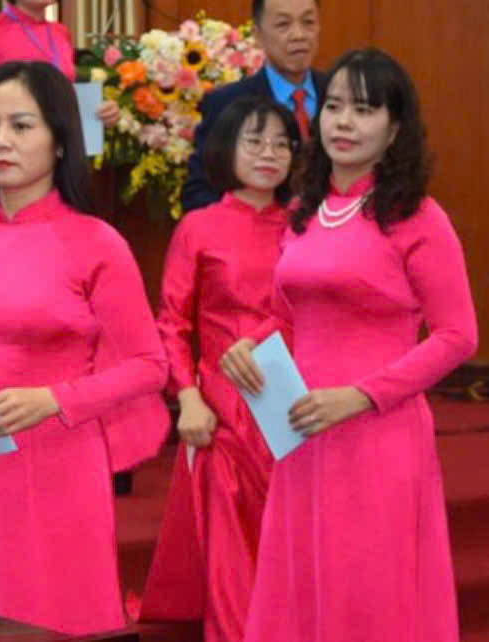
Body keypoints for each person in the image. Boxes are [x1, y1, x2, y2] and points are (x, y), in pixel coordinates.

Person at [220, 48, 477, 642]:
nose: (343, 121)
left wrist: (360, 396)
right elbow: (288, 318)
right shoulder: (305, 211)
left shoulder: (418, 216)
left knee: (367, 589)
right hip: (302, 429)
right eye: (334, 106)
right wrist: (248, 347)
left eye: (363, 109)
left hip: (377, 433)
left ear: (395, 128)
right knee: (302, 582)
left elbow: (458, 335)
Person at [0, 61, 169, 635]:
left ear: (59, 141)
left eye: (21, 125)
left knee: (53, 614)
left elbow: (150, 365)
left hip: (59, 461)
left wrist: (53, 400)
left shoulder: (97, 242)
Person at [140, 95, 299, 642]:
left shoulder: (304, 228)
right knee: (231, 547)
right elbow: (171, 323)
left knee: (289, 537)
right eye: (255, 141)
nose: (269, 154)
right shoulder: (199, 227)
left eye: (281, 143)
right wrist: (188, 397)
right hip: (224, 411)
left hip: (295, 404)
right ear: (227, 148)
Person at [182, 0, 325, 212]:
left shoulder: (339, 93)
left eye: (308, 22)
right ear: (258, 35)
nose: (299, 35)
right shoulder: (226, 103)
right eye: (283, 24)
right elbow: (199, 193)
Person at [0, 0, 119, 128]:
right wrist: (15, 113)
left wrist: (101, 112)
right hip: (13, 154)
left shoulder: (60, 33)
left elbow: (67, 99)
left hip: (62, 154)